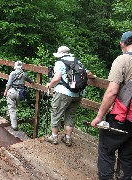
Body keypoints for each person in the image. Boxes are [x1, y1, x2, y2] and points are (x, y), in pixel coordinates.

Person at [91, 31, 132, 180]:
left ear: (122, 43)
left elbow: (112, 92)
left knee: (106, 152)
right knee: (127, 158)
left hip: (121, 118)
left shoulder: (122, 60)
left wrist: (99, 116)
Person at [46, 46, 96, 146]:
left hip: (63, 93)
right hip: (78, 94)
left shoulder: (59, 63)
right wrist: (94, 77)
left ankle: (54, 137)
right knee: (70, 115)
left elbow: (56, 78)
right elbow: (88, 74)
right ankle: (68, 138)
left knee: (56, 113)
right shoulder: (78, 62)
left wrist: (49, 85)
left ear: (60, 54)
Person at [3, 61, 34, 131]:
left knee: (12, 108)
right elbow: (31, 81)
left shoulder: (13, 73)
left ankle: (14, 125)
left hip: (12, 92)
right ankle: (8, 116)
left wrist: (5, 92)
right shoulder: (24, 74)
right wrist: (34, 83)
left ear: (15, 66)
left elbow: (9, 84)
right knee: (13, 106)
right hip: (20, 94)